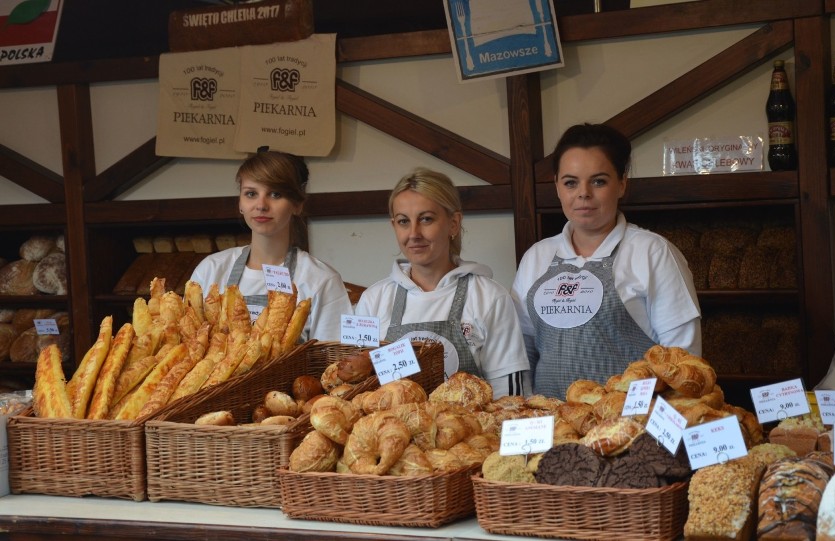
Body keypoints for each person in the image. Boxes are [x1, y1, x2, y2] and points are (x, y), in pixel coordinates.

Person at [511, 123, 701, 398]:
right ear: (557, 186)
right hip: (550, 426)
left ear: (622, 183)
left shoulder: (653, 252)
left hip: (629, 429)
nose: (583, 193)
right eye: (570, 182)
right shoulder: (536, 257)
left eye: (599, 181)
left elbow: (682, 359)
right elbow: (523, 349)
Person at [355, 167, 531, 398]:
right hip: (392, 431)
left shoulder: (490, 297)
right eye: (403, 222)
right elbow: (356, 383)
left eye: (426, 219)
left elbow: (509, 397)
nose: (414, 233)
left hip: (469, 432)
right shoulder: (372, 300)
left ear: (453, 224)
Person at [190, 150, 352, 342]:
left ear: (297, 204)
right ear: (240, 203)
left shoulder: (320, 280)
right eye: (251, 193)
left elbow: (330, 359)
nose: (261, 205)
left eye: (275, 194)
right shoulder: (212, 269)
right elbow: (189, 340)